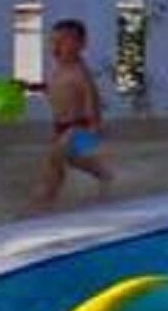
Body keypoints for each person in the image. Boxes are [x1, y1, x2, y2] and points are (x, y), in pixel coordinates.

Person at [30, 18, 115, 209]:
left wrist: (93, 130)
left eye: (62, 42)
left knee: (54, 161)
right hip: (61, 127)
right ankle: (103, 174)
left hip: (80, 126)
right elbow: (52, 88)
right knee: (70, 161)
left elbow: (92, 101)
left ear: (81, 45)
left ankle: (46, 202)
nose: (56, 47)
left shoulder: (81, 74)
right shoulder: (59, 70)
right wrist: (28, 86)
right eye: (53, 42)